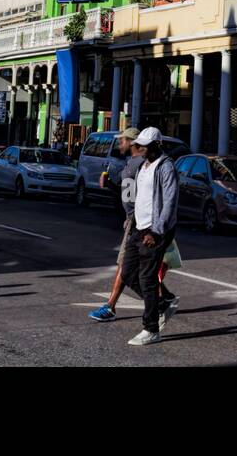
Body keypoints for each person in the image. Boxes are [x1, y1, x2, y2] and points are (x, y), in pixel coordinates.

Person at [119, 127, 180, 345]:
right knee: (127, 274)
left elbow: (170, 202)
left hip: (155, 231)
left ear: (157, 145)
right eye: (140, 145)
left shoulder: (165, 167)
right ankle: (162, 303)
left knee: (147, 278)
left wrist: (157, 231)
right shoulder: (144, 166)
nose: (142, 148)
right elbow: (139, 195)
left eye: (145, 145)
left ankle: (151, 329)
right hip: (138, 226)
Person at [88, 127, 140, 323]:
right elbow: (125, 192)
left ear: (132, 142)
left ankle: (110, 306)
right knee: (136, 267)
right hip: (131, 221)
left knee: (125, 265)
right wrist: (109, 184)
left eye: (123, 140)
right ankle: (163, 299)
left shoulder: (142, 165)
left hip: (138, 222)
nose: (119, 144)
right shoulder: (129, 164)